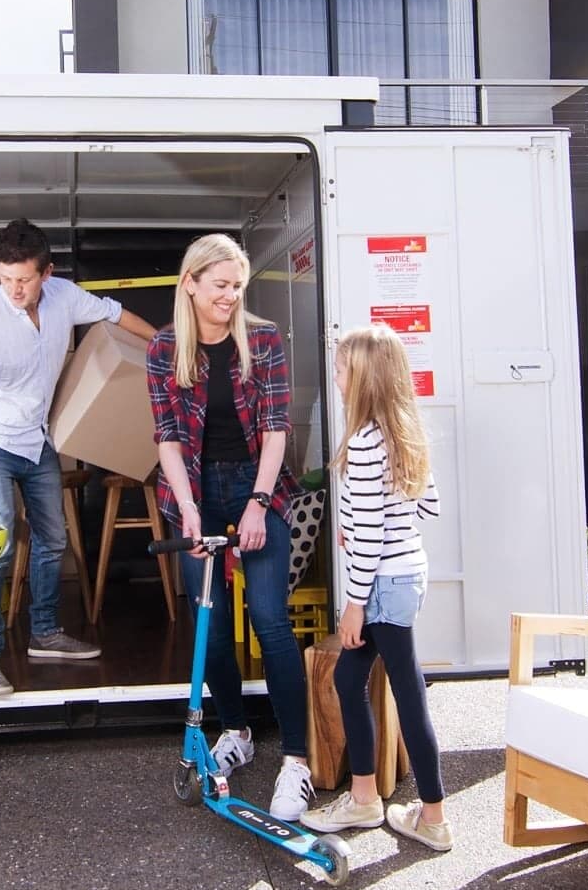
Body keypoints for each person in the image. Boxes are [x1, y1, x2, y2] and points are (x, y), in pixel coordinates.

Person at [0, 218, 159, 696]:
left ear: (47, 273)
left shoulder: (64, 296)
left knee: (53, 538)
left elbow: (116, 314)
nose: (14, 289)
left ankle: (44, 632)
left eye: (24, 279)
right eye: (6, 279)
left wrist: (165, 345)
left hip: (36, 440)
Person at [146, 233, 314, 821]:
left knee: (270, 621)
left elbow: (275, 429)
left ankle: (297, 760)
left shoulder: (262, 340)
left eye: (237, 286)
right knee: (210, 629)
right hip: (196, 489)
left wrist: (259, 504)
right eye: (220, 285)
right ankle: (237, 731)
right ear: (190, 284)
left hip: (255, 482)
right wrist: (188, 510)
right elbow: (167, 437)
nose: (230, 296)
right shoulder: (164, 348)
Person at [300, 324, 452, 851]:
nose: (336, 379)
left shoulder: (365, 441)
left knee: (408, 693)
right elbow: (428, 506)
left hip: (381, 583)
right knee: (350, 679)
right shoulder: (403, 430)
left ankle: (432, 817)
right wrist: (367, 516)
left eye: (342, 370)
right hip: (406, 572)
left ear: (362, 378)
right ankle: (365, 797)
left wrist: (353, 605)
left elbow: (368, 539)